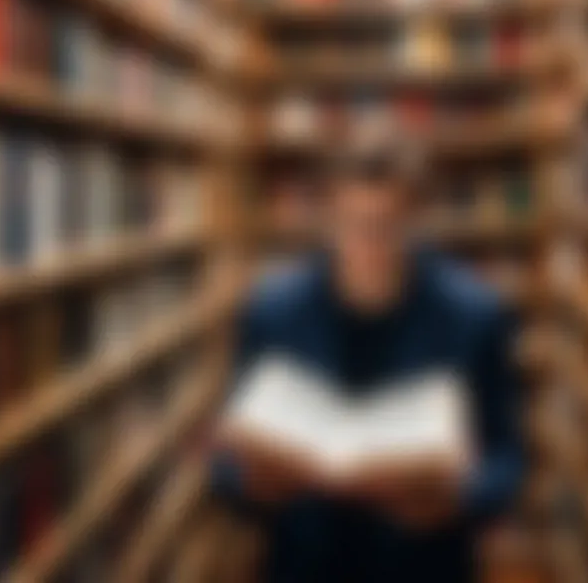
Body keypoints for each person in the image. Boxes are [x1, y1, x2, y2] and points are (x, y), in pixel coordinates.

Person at [211, 132, 526, 583]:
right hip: (304, 564)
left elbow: (507, 459)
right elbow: (226, 461)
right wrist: (249, 485)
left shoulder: (475, 315)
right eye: (352, 224)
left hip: (425, 564)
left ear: (418, 220)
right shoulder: (271, 311)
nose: (369, 245)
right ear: (327, 219)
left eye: (389, 226)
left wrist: (460, 498)